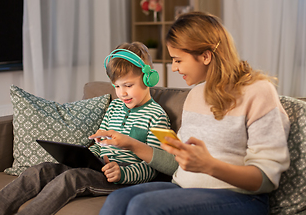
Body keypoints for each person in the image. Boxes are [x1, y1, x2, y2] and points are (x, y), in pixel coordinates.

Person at [98, 12, 290, 215]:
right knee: (117, 200)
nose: (173, 68)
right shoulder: (195, 95)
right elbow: (175, 165)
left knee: (144, 206)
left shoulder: (259, 91)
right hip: (185, 188)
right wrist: (131, 144)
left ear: (206, 56)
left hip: (241, 197)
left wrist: (209, 165)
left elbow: (266, 179)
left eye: (178, 60)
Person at [0, 42, 171, 215]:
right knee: (40, 170)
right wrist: (86, 155)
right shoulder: (114, 107)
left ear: (148, 79)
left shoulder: (156, 116)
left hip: (122, 179)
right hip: (98, 167)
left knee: (72, 177)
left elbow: (154, 169)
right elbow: (99, 144)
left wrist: (122, 174)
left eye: (128, 85)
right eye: (117, 87)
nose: (122, 93)